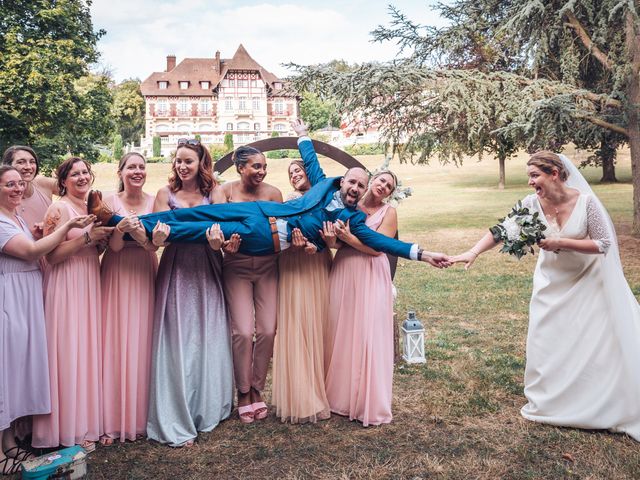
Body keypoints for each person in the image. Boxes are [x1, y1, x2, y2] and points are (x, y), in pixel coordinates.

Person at [452, 151, 640, 441]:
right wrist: (474, 251)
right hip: (550, 283)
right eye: (529, 176)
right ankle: (551, 402)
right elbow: (503, 230)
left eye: (535, 175)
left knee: (589, 341)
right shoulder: (531, 204)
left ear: (554, 173)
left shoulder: (587, 203)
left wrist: (560, 242)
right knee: (546, 338)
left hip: (587, 281)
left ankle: (593, 399)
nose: (530, 182)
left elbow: (604, 243)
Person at [89, 122, 450, 268]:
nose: (354, 188)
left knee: (198, 233)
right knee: (195, 214)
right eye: (352, 182)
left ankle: (135, 231)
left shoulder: (352, 220)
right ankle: (118, 220)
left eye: (360, 185)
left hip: (267, 235)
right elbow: (310, 159)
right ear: (343, 181)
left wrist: (423, 253)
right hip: (256, 211)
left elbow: (385, 243)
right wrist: (303, 133)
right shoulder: (325, 185)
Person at [0, 165, 93, 474]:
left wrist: (42, 233)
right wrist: (66, 230)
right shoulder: (1, 221)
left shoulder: (16, 218)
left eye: (18, 184)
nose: (16, 188)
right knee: (5, 371)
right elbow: (29, 252)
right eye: (8, 184)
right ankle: (1, 454)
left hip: (26, 294)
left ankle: (11, 442)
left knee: (15, 370)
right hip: (8, 296)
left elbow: (36, 245)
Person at [145, 138, 234, 447]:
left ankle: (207, 406)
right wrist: (159, 238)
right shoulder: (165, 194)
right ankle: (176, 412)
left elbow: (224, 236)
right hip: (177, 269)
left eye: (188, 161)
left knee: (206, 335)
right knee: (178, 339)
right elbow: (156, 240)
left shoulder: (216, 193)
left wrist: (216, 244)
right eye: (178, 161)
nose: (182, 166)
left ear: (201, 164)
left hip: (207, 267)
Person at [32, 157, 114, 449]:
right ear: (63, 181)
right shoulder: (59, 208)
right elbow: (51, 256)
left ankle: (86, 424)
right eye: (74, 174)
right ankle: (65, 429)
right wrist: (88, 239)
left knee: (86, 350)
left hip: (89, 281)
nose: (82, 178)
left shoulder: (90, 207)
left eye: (85, 173)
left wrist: (100, 243)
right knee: (67, 351)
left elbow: (92, 247)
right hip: (65, 284)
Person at [324, 170, 399, 426]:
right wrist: (333, 240)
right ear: (371, 181)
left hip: (371, 273)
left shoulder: (389, 214)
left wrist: (348, 238)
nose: (383, 186)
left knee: (368, 334)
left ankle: (366, 400)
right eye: (381, 180)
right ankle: (338, 397)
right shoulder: (350, 203)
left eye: (389, 186)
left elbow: (378, 248)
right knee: (341, 330)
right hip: (344, 270)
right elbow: (337, 245)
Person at [218, 145, 283, 423]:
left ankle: (258, 387)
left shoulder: (273, 193)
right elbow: (216, 226)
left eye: (264, 166)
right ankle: (243, 391)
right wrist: (224, 246)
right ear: (240, 167)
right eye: (256, 166)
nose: (262, 171)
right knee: (243, 331)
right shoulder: (225, 192)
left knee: (268, 329)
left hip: (268, 266)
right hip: (236, 266)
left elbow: (283, 230)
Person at [100, 153, 158, 444]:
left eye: (141, 167)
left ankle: (142, 415)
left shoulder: (154, 201)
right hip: (117, 271)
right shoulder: (110, 202)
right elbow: (113, 248)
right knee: (115, 340)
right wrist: (121, 231)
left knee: (142, 340)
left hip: (144, 272)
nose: (137, 171)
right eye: (131, 167)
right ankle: (111, 416)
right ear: (121, 171)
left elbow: (152, 248)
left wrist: (144, 236)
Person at [271, 159, 331, 424]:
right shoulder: (290, 202)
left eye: (299, 170)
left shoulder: (325, 198)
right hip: (294, 264)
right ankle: (302, 394)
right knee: (296, 325)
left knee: (319, 323)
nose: (295, 175)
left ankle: (326, 386)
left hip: (317, 263)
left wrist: (319, 245)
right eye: (291, 173)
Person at [2, 146, 57, 235]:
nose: (28, 167)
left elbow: (73, 188)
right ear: (7, 166)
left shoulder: (42, 182)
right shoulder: (4, 196)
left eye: (32, 162)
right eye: (21, 162)